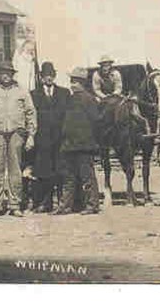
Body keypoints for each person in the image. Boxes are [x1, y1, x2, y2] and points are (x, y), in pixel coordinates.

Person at [0, 61, 37, 217]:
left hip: (16, 134)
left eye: (9, 73)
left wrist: (31, 136)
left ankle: (14, 204)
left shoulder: (22, 92)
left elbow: (31, 114)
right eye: (3, 73)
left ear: (12, 74)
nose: (5, 76)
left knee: (15, 170)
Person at [55, 67, 101, 215]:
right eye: (71, 81)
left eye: (75, 82)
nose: (72, 84)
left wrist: (87, 138)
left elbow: (96, 121)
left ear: (82, 83)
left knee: (87, 176)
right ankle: (65, 206)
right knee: (68, 177)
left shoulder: (89, 99)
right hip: (69, 145)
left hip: (83, 146)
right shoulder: (69, 99)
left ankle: (92, 205)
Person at [29, 61, 70, 212]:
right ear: (41, 77)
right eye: (46, 75)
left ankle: (61, 201)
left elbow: (68, 115)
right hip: (43, 140)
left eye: (51, 75)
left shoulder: (64, 93)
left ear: (55, 76)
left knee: (60, 170)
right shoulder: (33, 94)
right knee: (44, 172)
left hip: (60, 139)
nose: (49, 78)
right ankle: (46, 203)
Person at [91, 55, 124, 133]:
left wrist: (113, 94)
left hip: (114, 95)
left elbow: (119, 87)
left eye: (107, 65)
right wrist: (104, 97)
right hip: (102, 96)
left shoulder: (116, 73)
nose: (105, 67)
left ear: (110, 65)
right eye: (103, 65)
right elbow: (96, 89)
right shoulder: (96, 75)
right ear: (101, 66)